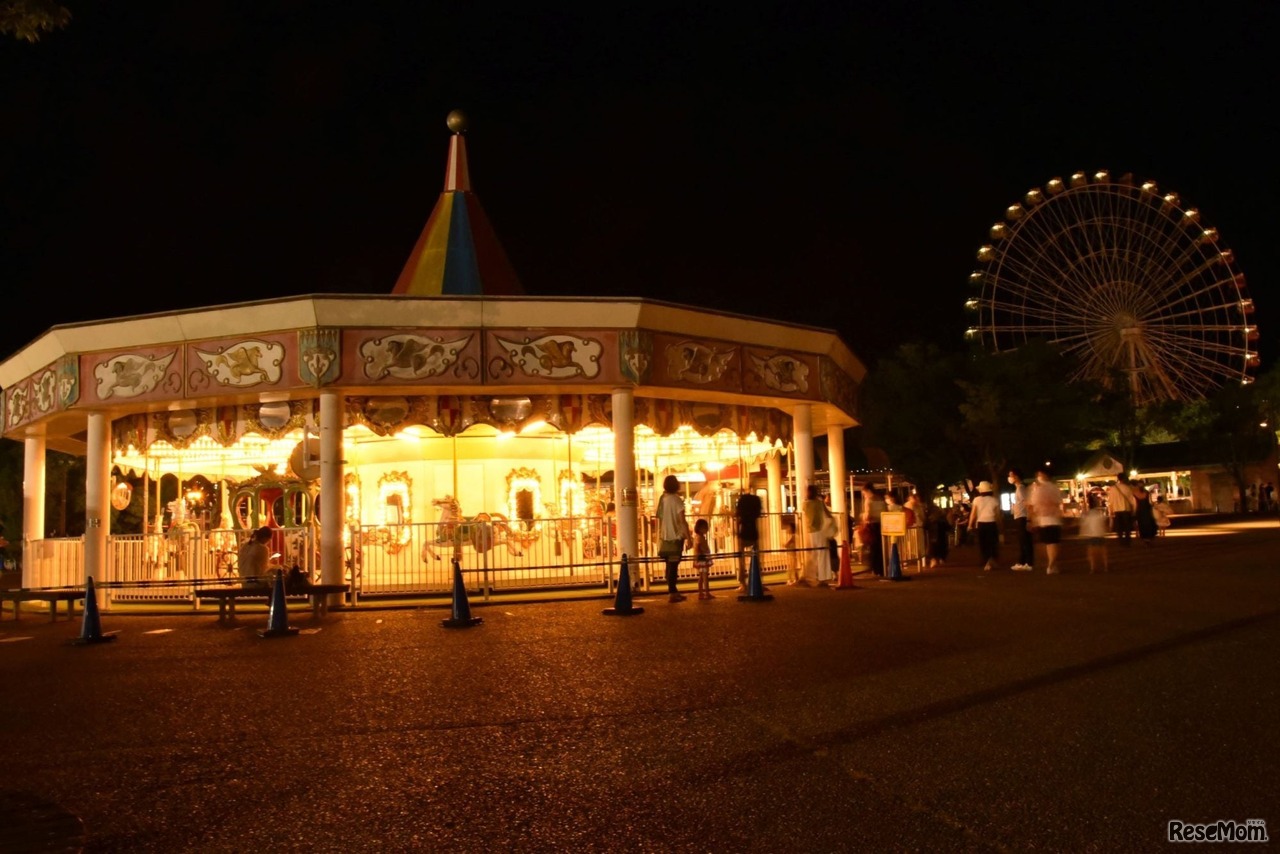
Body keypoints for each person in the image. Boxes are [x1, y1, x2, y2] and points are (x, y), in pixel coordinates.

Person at [656, 474, 692, 603]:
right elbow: (682, 521)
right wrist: (689, 537)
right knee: (673, 565)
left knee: (669, 565)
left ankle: (672, 590)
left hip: (665, 536)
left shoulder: (663, 499)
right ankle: (672, 592)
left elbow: (659, 518)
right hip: (676, 537)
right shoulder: (676, 500)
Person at [1028, 468, 1064, 574]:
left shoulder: (1037, 489)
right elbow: (1058, 503)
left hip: (1043, 520)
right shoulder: (1054, 488)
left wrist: (1032, 519)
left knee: (1049, 544)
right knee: (1053, 543)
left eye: (1040, 475)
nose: (1038, 477)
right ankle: (1051, 565)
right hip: (1053, 519)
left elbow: (1032, 505)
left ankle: (1051, 565)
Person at [800, 484, 834, 586]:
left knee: (813, 554)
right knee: (822, 554)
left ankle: (812, 576)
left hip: (810, 531)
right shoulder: (819, 503)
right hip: (820, 530)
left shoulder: (805, 504)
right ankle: (823, 577)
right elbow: (828, 514)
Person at [967, 481, 1002, 572]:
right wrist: (1000, 525)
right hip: (992, 523)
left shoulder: (977, 500)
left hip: (981, 524)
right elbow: (998, 514)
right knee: (992, 543)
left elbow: (973, 514)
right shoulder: (994, 500)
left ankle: (986, 561)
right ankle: (992, 560)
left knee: (983, 543)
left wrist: (970, 525)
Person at [734, 491, 763, 591]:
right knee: (755, 558)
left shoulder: (742, 514)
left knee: (741, 560)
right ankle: (758, 580)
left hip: (744, 534)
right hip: (753, 533)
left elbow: (738, 521)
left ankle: (743, 583)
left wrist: (737, 533)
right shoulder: (754, 512)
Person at [1008, 468, 1033, 571]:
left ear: (1016, 476)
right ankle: (1022, 562)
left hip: (1022, 517)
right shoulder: (1019, 488)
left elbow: (1027, 504)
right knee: (1023, 541)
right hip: (1020, 517)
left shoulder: (1020, 488)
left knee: (1025, 541)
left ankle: (1028, 563)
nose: (1009, 478)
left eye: (1011, 475)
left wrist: (1029, 520)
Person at [1078, 496, 1109, 574]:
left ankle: (1093, 567)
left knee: (1091, 552)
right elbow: (1104, 523)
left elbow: (1084, 524)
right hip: (1100, 533)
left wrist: (1082, 533)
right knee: (1102, 551)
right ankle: (1105, 566)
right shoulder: (1100, 513)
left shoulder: (1088, 514)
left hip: (1092, 534)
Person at [861, 484, 887, 576]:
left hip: (872, 526)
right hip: (882, 525)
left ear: (868, 491)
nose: (864, 495)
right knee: (881, 548)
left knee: (873, 548)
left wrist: (863, 516)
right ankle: (882, 568)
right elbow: (885, 511)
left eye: (864, 493)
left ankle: (875, 568)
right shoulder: (881, 499)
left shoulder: (869, 500)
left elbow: (867, 515)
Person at [1107, 473, 1137, 545]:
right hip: (1126, 509)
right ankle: (1127, 541)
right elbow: (1132, 500)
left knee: (1119, 526)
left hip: (1117, 510)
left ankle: (1120, 540)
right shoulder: (1127, 488)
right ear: (1124, 479)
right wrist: (1134, 510)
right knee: (1127, 526)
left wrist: (1111, 510)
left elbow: (1110, 501)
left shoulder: (1113, 489)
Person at [692, 518, 714, 599]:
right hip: (702, 559)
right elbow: (698, 546)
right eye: (705, 527)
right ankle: (707, 593)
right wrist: (700, 554)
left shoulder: (699, 536)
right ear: (700, 528)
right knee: (705, 576)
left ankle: (701, 593)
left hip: (701, 559)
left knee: (701, 576)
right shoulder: (700, 537)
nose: (707, 529)